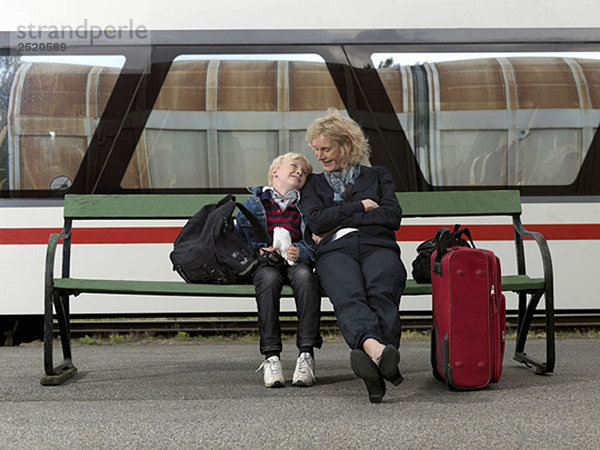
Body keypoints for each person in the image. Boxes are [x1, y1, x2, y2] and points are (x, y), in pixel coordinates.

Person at [301, 110, 407, 403]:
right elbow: (315, 222)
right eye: (316, 150)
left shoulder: (378, 175)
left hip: (378, 246)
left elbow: (393, 216)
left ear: (346, 145)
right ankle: (379, 353)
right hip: (335, 252)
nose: (319, 157)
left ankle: (373, 364)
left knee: (381, 291)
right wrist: (361, 206)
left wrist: (338, 220)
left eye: (326, 149)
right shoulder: (314, 184)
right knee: (350, 295)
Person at [236, 153, 323, 388]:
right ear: (275, 172)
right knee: (268, 280)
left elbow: (315, 245)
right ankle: (271, 357)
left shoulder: (306, 204)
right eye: (294, 167)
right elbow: (241, 242)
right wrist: (259, 252)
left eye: (304, 173)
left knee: (306, 278)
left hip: (296, 263)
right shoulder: (254, 203)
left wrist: (300, 252)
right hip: (267, 265)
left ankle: (306, 354)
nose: (299, 172)